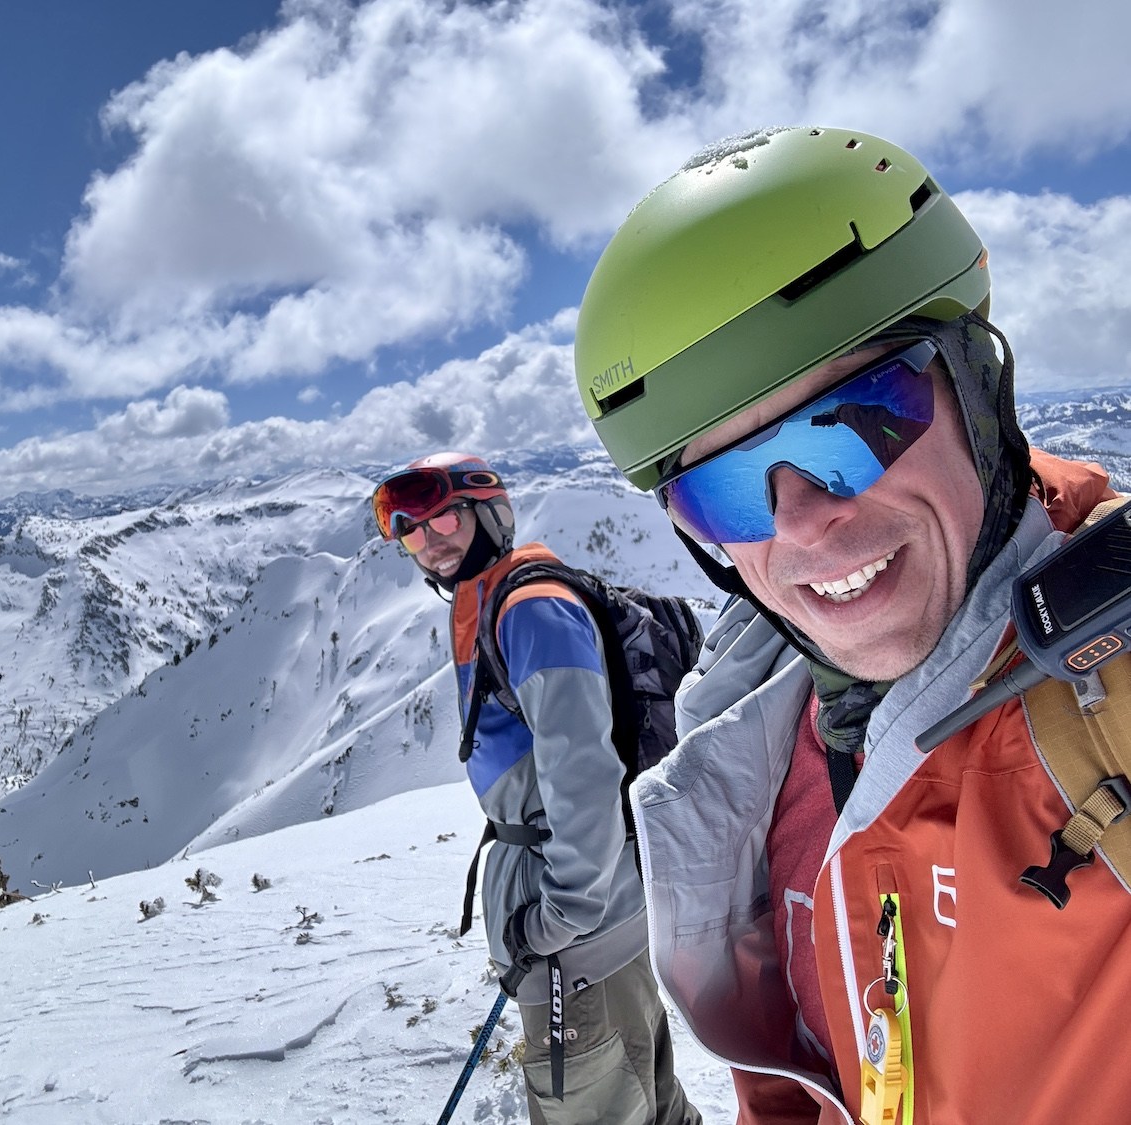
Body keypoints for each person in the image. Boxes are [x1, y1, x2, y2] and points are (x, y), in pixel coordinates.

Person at [572, 124, 1131, 1123]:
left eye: (855, 422)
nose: (803, 521)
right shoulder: (762, 731)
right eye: (727, 489)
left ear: (978, 385)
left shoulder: (1112, 692)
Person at [371, 452, 701, 1125]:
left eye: (447, 519)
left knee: (595, 1100)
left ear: (489, 512)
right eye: (415, 531)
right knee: (648, 1096)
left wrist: (558, 918)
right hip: (590, 920)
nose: (431, 541)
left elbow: (584, 774)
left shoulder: (529, 611)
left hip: (575, 935)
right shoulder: (493, 597)